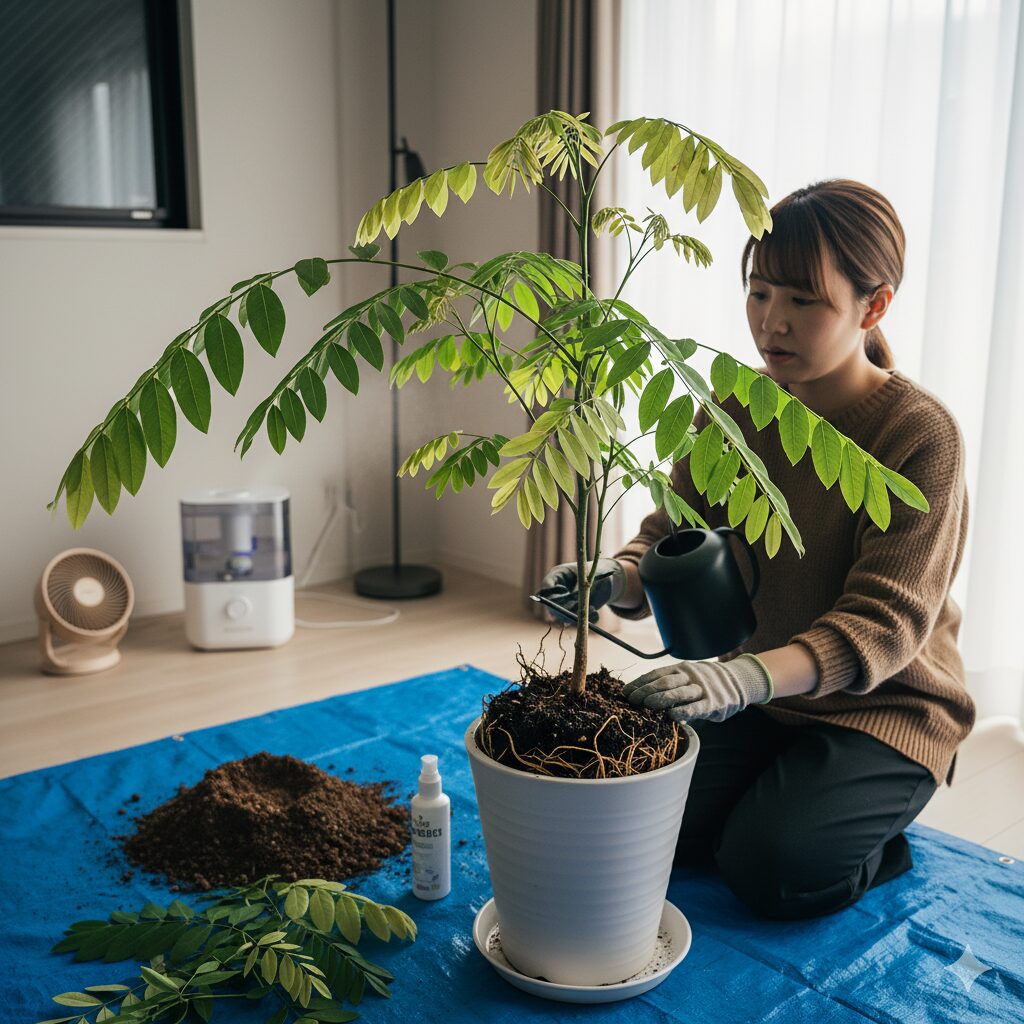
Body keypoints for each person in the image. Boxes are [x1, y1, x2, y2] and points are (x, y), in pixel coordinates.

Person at [540, 179, 975, 921]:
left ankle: (877, 841)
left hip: (884, 709)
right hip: (770, 698)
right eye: (760, 291)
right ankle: (788, 793)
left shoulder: (919, 435)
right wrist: (610, 580)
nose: (772, 323)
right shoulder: (734, 406)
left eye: (804, 301)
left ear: (873, 306)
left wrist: (739, 680)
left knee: (771, 868)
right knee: (642, 821)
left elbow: (886, 625)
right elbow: (671, 533)